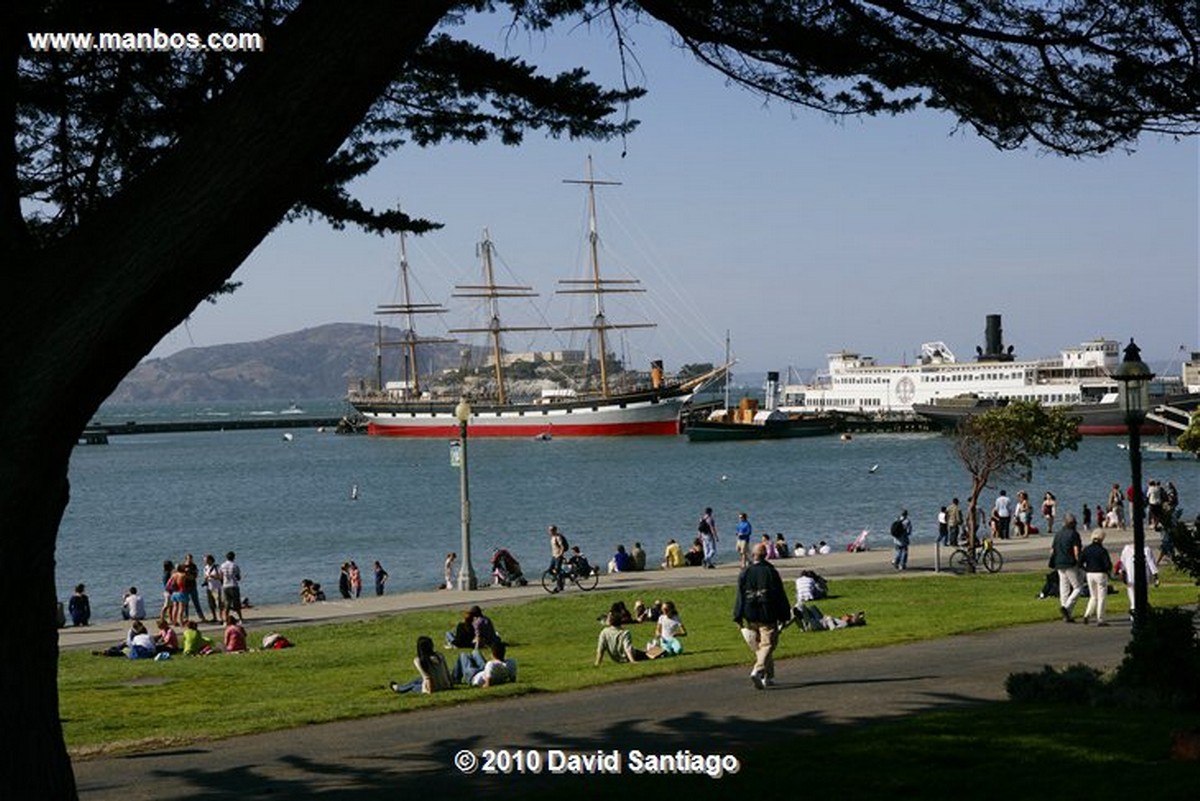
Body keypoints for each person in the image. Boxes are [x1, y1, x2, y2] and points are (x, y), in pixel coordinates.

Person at [733, 542, 791, 690]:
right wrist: (784, 614)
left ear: (753, 555)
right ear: (766, 555)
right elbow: (779, 595)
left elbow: (740, 595)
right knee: (768, 645)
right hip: (767, 613)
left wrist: (738, 615)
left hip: (750, 613)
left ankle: (768, 676)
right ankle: (758, 669)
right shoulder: (771, 572)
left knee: (761, 646)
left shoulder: (745, 572)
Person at [1049, 513, 1085, 623]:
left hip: (1059, 563)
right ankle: (1067, 608)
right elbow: (1076, 551)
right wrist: (1079, 562)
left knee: (1064, 588)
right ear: (1073, 523)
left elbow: (1052, 550)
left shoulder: (1058, 534)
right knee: (1078, 587)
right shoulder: (1074, 534)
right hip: (1070, 563)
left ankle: (1066, 613)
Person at [1118, 540, 1160, 621]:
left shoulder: (1126, 549)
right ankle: (1142, 614)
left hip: (1130, 576)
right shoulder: (1146, 549)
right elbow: (1151, 563)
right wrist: (1156, 576)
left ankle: (1133, 615)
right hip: (1143, 576)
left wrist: (1122, 572)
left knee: (1132, 597)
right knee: (1143, 596)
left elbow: (1122, 563)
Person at [1079, 530, 1113, 626]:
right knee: (1101, 597)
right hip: (1100, 574)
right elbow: (1107, 564)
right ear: (1102, 539)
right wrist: (1109, 572)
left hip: (1089, 574)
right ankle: (1100, 619)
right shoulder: (1102, 550)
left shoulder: (1087, 549)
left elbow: (1080, 562)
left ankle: (1087, 614)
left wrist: (1086, 569)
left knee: (1093, 596)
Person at [218, 551, 243, 621]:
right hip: (233, 585)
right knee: (236, 603)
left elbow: (220, 577)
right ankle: (240, 618)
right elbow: (238, 577)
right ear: (233, 557)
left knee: (227, 604)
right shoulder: (235, 565)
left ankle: (226, 620)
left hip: (225, 586)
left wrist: (222, 583)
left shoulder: (222, 565)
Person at [547, 525, 568, 593]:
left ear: (554, 530)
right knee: (550, 570)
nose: (549, 532)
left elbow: (562, 546)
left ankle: (559, 587)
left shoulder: (558, 537)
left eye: (551, 530)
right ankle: (559, 578)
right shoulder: (552, 538)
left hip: (558, 556)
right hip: (554, 556)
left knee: (558, 571)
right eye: (549, 530)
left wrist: (560, 555)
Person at [203, 553, 223, 623]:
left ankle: (221, 618)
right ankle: (214, 617)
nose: (205, 562)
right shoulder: (205, 568)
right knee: (211, 603)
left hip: (216, 587)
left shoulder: (217, 567)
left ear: (211, 560)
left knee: (218, 603)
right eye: (204, 560)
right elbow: (205, 577)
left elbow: (221, 577)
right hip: (209, 587)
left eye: (206, 560)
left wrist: (213, 577)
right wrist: (205, 579)